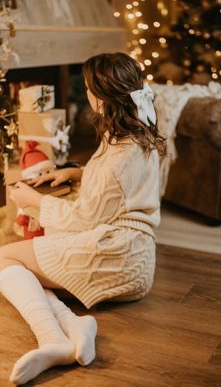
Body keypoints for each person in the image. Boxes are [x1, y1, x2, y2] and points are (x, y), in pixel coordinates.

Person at [0, 53, 165, 385]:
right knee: (16, 264)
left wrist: (32, 201)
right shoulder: (136, 132)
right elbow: (121, 183)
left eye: (89, 87)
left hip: (116, 254)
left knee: (4, 259)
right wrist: (79, 173)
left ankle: (53, 339)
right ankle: (75, 324)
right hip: (137, 253)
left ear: (99, 96)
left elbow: (84, 220)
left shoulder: (120, 152)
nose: (86, 93)